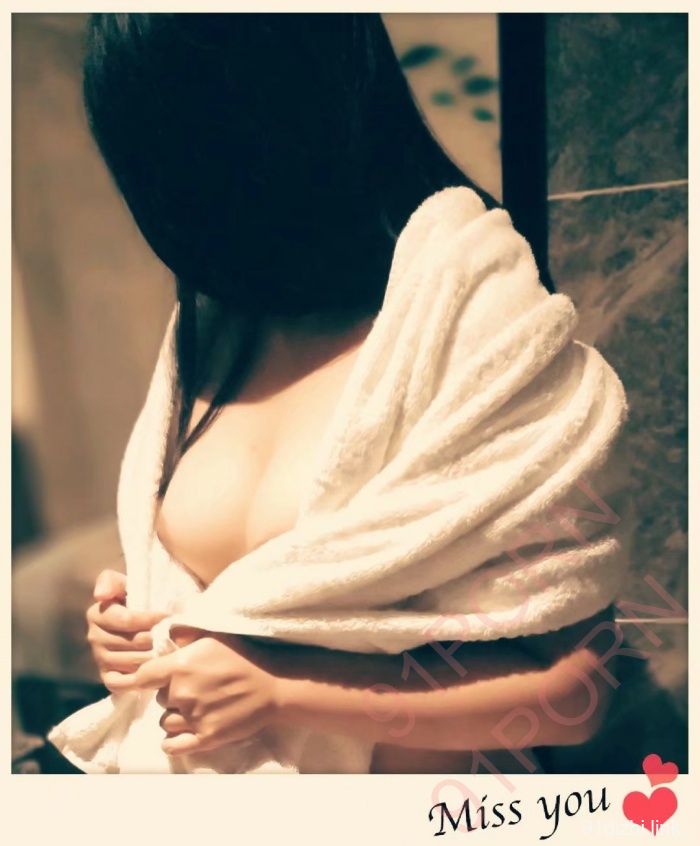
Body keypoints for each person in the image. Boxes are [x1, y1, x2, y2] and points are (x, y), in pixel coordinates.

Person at [80, 12, 613, 774]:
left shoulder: (471, 320)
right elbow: (239, 588)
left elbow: (576, 693)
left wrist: (286, 691)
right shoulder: (221, 328)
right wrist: (140, 622)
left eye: (185, 150)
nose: (174, 199)